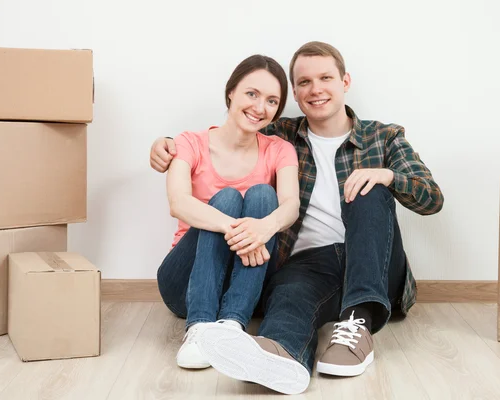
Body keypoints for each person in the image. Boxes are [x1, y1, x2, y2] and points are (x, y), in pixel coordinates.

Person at [151, 42, 444, 395]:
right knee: (290, 296)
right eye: (304, 82)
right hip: (308, 263)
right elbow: (238, 129)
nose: (315, 89)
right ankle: (281, 355)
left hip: (371, 257)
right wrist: (168, 144)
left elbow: (432, 198)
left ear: (345, 81)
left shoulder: (384, 137)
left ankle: (358, 322)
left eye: (325, 78)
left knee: (369, 187)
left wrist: (388, 176)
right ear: (295, 93)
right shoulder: (283, 136)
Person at [156, 54, 300, 372]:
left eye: (272, 101)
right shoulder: (188, 143)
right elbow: (178, 203)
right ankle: (199, 327)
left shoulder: (279, 149)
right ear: (231, 91)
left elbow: (290, 204)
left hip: (245, 286)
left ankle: (232, 324)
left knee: (264, 196)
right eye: (252, 94)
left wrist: (264, 228)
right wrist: (237, 228)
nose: (260, 107)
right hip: (184, 284)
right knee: (227, 199)